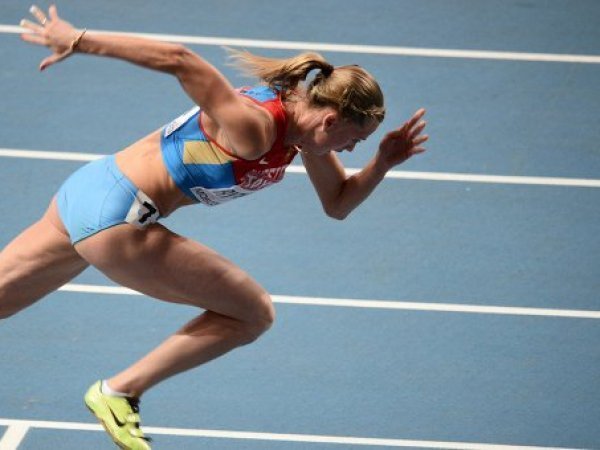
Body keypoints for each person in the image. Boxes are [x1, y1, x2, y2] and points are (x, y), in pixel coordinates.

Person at [4, 4, 428, 450]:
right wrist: (78, 40)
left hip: (87, 191)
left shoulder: (301, 136)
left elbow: (338, 203)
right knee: (253, 312)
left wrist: (382, 163)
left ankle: (117, 392)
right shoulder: (256, 128)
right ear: (330, 120)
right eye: (356, 140)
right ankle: (118, 392)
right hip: (119, 218)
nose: (354, 149)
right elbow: (181, 60)